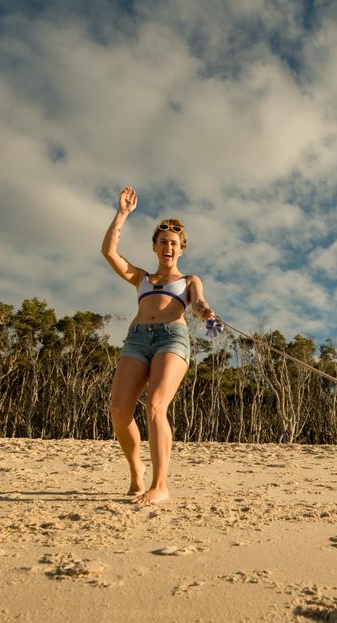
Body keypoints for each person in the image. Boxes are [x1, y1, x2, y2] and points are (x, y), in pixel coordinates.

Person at [100, 186, 215, 505]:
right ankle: (137, 473)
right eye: (163, 241)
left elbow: (197, 301)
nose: (168, 246)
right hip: (137, 339)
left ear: (181, 250)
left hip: (171, 338)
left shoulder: (189, 280)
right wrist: (122, 214)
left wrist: (204, 310)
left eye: (174, 243)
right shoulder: (141, 278)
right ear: (154, 246)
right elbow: (109, 253)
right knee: (120, 410)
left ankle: (159, 485)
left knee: (155, 406)